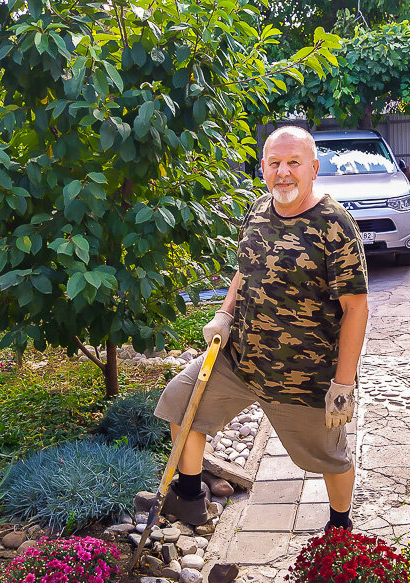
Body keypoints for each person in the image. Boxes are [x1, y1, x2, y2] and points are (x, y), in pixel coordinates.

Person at [153, 125, 369, 532]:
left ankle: (340, 527)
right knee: (182, 402)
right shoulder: (257, 210)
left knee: (329, 456)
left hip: (303, 375)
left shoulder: (335, 226)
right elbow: (244, 269)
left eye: (293, 163)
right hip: (241, 358)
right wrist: (225, 313)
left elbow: (356, 309)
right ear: (264, 168)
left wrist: (342, 384)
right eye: (274, 163)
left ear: (314, 167)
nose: (283, 172)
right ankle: (188, 497)